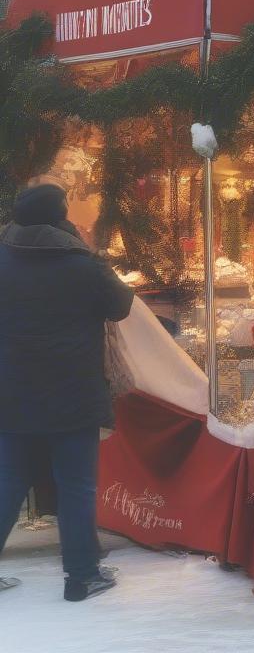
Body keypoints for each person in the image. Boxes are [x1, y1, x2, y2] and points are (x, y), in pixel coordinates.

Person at [0, 184, 134, 600]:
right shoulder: (82, 263)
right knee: (75, 485)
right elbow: (120, 305)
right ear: (62, 219)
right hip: (72, 394)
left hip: (10, 393)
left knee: (7, 481)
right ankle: (81, 575)